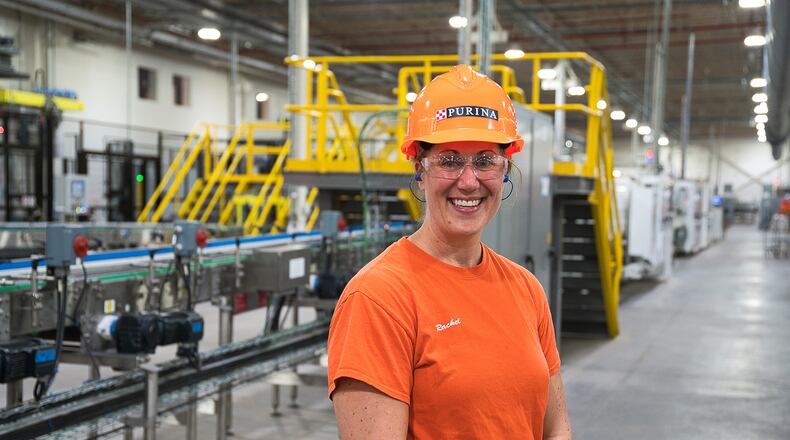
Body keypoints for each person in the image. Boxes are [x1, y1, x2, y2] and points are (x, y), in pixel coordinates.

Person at [327, 64, 572, 439]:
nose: (469, 180)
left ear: (505, 168)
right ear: (420, 170)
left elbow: (555, 429)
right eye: (450, 160)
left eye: (486, 160)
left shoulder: (527, 289)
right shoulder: (378, 299)